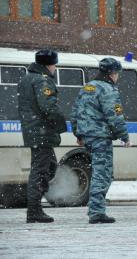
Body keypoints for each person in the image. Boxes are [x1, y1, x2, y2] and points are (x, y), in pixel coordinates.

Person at [71, 57, 130, 224]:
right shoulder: (108, 89)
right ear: (112, 73)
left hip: (88, 136)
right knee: (102, 174)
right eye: (117, 73)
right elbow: (115, 116)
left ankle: (95, 209)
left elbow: (75, 112)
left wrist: (79, 135)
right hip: (100, 137)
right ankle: (96, 212)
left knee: (97, 171)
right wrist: (124, 136)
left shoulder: (87, 87)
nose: (117, 76)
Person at [18, 49, 67, 223]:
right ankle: (34, 210)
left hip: (33, 130)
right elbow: (49, 108)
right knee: (40, 171)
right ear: (48, 65)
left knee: (50, 166)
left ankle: (34, 203)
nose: (55, 68)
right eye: (54, 64)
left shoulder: (26, 78)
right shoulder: (42, 80)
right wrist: (63, 125)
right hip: (42, 132)